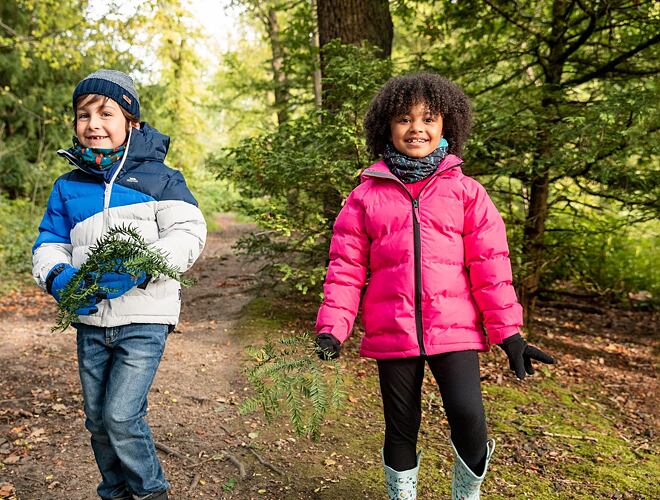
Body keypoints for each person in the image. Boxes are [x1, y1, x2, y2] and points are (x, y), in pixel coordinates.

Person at [314, 72, 554, 499]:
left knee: (468, 417)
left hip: (456, 330)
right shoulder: (365, 196)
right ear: (387, 126)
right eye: (405, 119)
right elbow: (345, 268)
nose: (417, 129)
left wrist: (509, 333)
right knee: (401, 426)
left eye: (428, 119)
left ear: (447, 126)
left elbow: (491, 266)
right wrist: (332, 329)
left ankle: (467, 495)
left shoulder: (466, 192)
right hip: (393, 330)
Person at [32, 69, 207, 500]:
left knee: (122, 416)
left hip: (145, 318)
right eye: (83, 114)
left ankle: (150, 493)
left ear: (131, 122)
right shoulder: (68, 184)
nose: (93, 124)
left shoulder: (160, 178)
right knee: (97, 419)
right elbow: (49, 242)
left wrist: (144, 264)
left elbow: (188, 232)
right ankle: (115, 491)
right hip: (91, 322)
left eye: (106, 113)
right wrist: (60, 276)